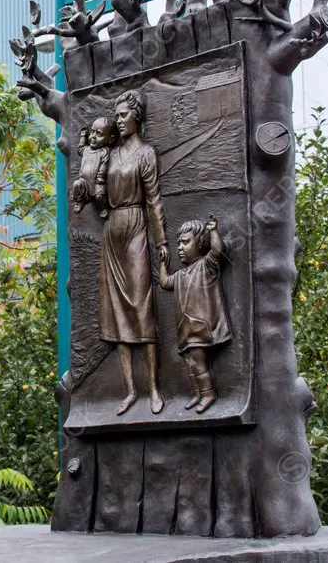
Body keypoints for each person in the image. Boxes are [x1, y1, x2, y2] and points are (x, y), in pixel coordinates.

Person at [98, 89, 168, 416]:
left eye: (124, 115)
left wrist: (162, 241)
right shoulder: (108, 155)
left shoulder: (146, 154)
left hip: (136, 224)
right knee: (116, 312)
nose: (119, 120)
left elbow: (154, 199)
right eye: (117, 115)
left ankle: (154, 388)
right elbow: (96, 193)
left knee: (142, 306)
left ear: (136, 116)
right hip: (112, 229)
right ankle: (129, 390)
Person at [158, 215, 231, 413]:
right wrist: (163, 264)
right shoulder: (181, 275)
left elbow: (217, 251)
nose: (180, 247)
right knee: (191, 364)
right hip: (186, 329)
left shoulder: (206, 265)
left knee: (199, 364)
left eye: (185, 242)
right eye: (178, 244)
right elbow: (164, 283)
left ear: (200, 242)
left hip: (202, 328)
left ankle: (208, 394)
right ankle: (197, 393)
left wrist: (213, 230)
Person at [72, 116, 118, 218]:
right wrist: (83, 136)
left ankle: (103, 208)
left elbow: (104, 165)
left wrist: (100, 178)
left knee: (99, 196)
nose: (93, 136)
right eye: (92, 132)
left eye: (99, 134)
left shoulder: (104, 152)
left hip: (97, 182)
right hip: (84, 181)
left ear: (110, 139)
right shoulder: (86, 150)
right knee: (76, 185)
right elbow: (79, 149)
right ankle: (80, 201)